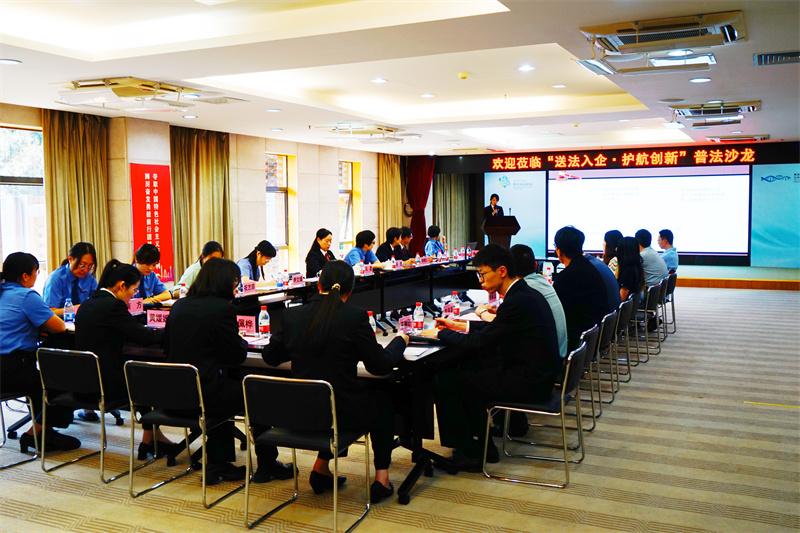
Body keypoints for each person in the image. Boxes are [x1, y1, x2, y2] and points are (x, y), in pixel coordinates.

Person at [263, 260, 408, 503]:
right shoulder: (354, 317)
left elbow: (271, 357)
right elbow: (380, 366)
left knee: (330, 398)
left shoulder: (292, 315)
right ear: (349, 291)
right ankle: (381, 479)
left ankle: (321, 469)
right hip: (339, 414)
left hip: (298, 413)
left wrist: (299, 346)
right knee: (381, 398)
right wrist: (400, 341)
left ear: (318, 285)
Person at [420, 244, 561, 470]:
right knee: (465, 368)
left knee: (449, 379)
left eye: (483, 274)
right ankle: (485, 437)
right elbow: (496, 331)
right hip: (536, 373)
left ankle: (475, 452)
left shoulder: (517, 301)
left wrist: (440, 333)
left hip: (531, 381)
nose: (481, 280)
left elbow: (481, 342)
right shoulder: (523, 293)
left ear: (502, 271)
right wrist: (460, 326)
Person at [164, 258, 293, 484]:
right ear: (224, 283)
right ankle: (267, 464)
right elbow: (236, 355)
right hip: (205, 396)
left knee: (226, 386)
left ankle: (219, 465)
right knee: (257, 393)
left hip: (176, 394)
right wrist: (240, 341)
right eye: (235, 284)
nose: (237, 289)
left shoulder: (179, 306)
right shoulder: (222, 309)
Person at [74, 259, 177, 458]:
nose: (134, 295)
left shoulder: (87, 303)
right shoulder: (113, 306)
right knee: (151, 378)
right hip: (105, 385)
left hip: (85, 381)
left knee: (142, 375)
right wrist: (172, 330)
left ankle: (152, 438)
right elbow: (143, 336)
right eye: (134, 290)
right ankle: (149, 439)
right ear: (121, 286)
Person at [0, 252, 79, 452]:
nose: (36, 276)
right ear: (25, 276)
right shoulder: (26, 296)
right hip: (12, 369)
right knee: (61, 382)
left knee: (39, 380)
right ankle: (37, 432)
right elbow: (59, 327)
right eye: (36, 272)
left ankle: (43, 429)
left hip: (5, 370)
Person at [552, 226, 615, 350]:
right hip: (596, 334)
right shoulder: (590, 267)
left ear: (558, 250)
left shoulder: (565, 278)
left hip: (580, 340)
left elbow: (557, 315)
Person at [43, 241, 98, 314]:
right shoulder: (55, 279)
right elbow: (50, 312)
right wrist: (77, 309)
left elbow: (96, 302)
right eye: (82, 265)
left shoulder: (90, 279)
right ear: (70, 259)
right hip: (61, 320)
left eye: (90, 266)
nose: (85, 270)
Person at [616, 237, 645, 301]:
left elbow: (621, 298)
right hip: (634, 303)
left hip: (625, 305)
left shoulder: (628, 272)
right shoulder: (637, 266)